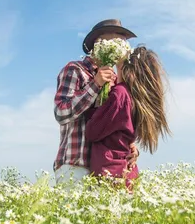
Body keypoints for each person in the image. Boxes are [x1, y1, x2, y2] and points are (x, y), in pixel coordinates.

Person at [53, 19, 139, 185]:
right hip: (76, 164)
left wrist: (131, 147)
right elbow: (61, 112)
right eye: (118, 40)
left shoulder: (114, 80)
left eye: (124, 42)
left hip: (104, 168)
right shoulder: (75, 70)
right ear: (99, 43)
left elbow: (116, 125)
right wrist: (96, 84)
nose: (123, 46)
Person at [85, 45, 171, 190]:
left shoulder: (120, 93)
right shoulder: (134, 96)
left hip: (110, 171)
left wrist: (93, 109)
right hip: (126, 171)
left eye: (117, 69)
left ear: (126, 70)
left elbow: (92, 131)